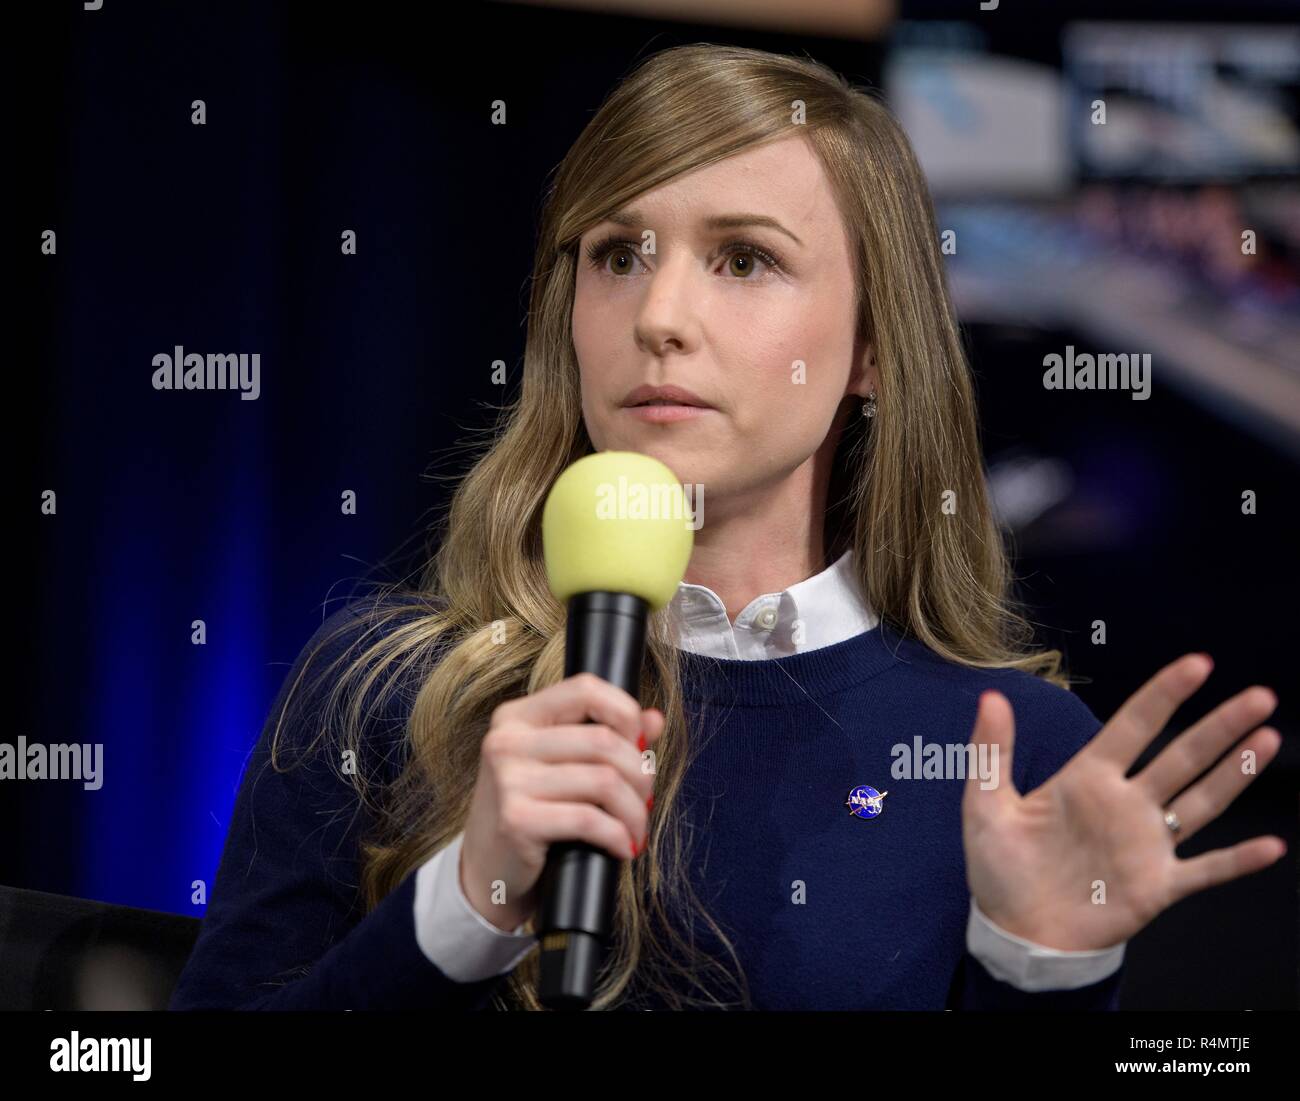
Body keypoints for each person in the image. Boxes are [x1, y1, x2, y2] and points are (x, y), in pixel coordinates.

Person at [169, 44, 1284, 1011]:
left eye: (743, 259)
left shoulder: (1011, 751)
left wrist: (1043, 973)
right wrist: (462, 907)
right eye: (617, 254)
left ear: (872, 353)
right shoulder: (382, 692)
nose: (658, 319)